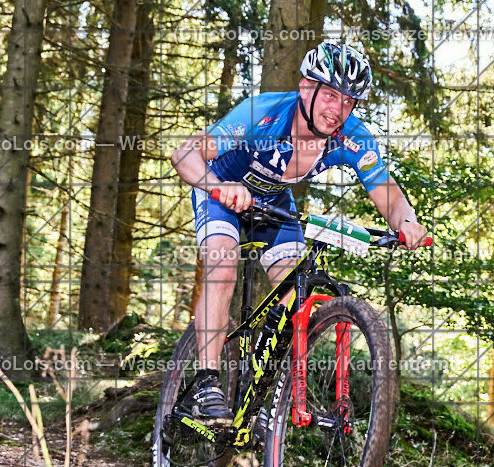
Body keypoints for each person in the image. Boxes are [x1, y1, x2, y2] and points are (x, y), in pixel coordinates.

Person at [170, 41, 430, 424]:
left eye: (347, 101)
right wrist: (215, 186)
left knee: (297, 296)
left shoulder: (352, 136)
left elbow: (386, 192)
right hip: (222, 188)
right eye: (329, 95)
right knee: (222, 266)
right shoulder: (264, 112)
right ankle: (207, 383)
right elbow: (184, 154)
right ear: (306, 88)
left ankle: (262, 395)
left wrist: (406, 222)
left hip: (274, 203)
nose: (337, 109)